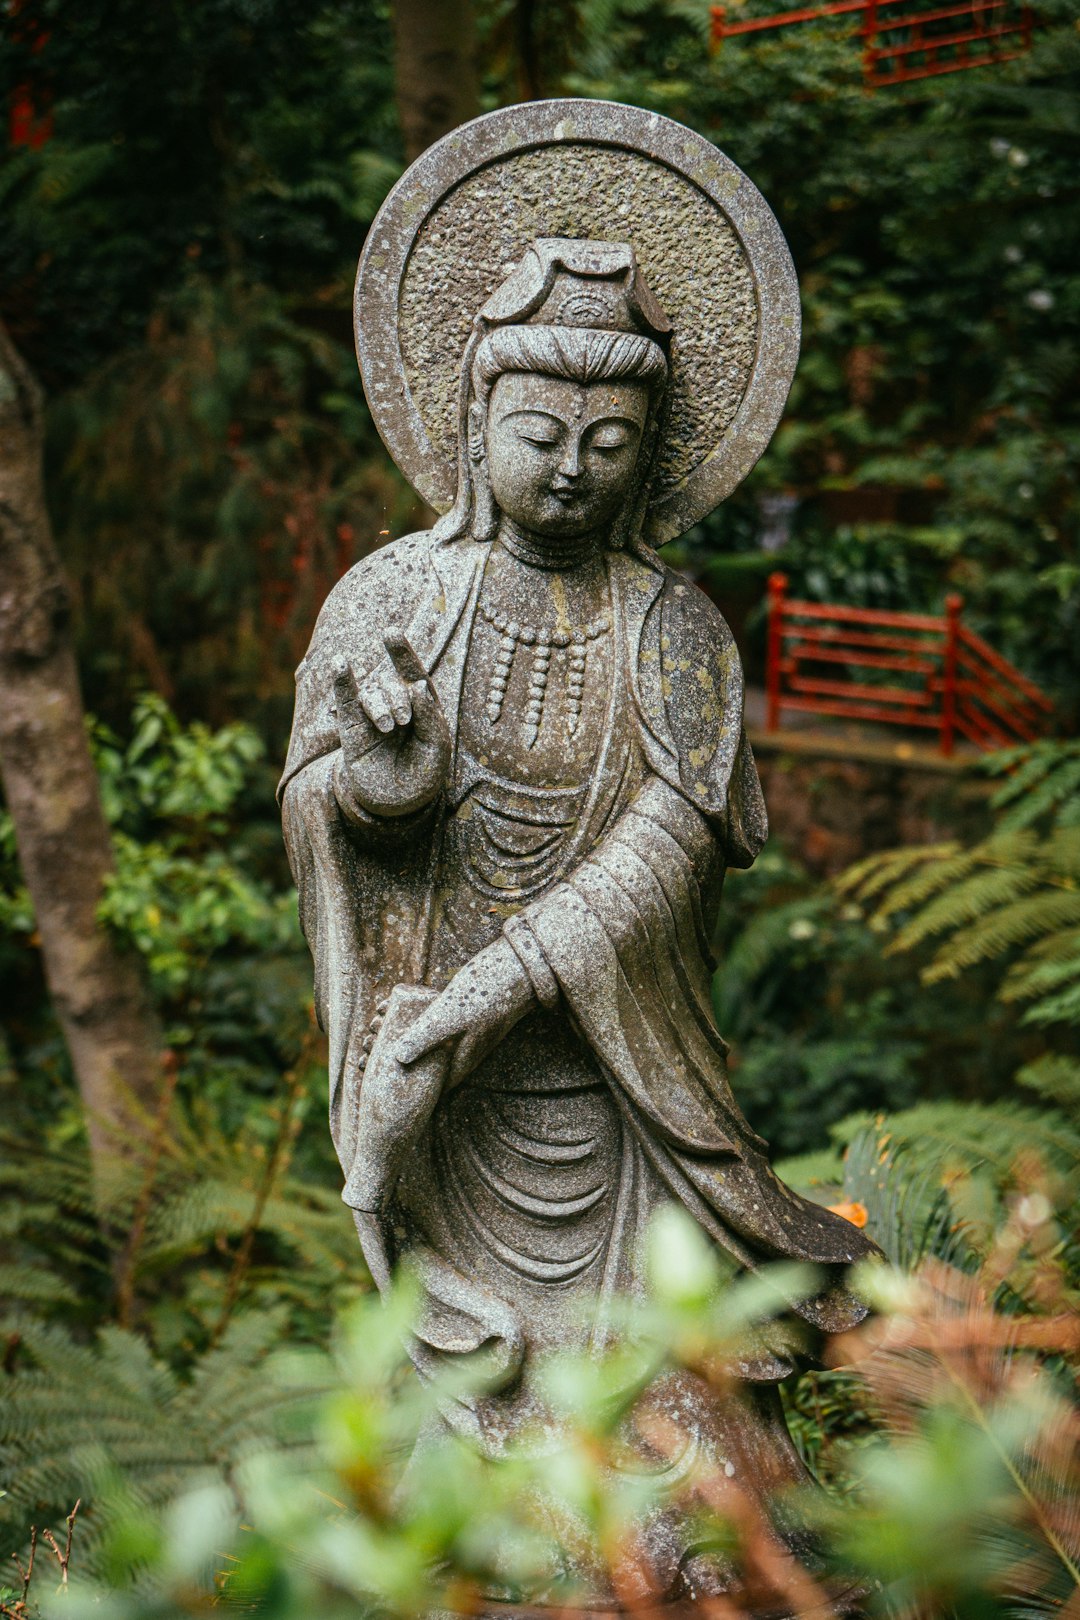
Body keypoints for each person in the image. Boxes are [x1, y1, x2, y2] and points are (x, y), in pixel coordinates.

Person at [281, 239, 876, 1598]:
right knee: (467, 1450)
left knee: (686, 1442)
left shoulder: (674, 626)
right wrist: (384, 777)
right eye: (541, 433)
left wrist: (491, 992)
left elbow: (668, 851)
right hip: (451, 1113)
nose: (571, 468)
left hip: (625, 1102)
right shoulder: (392, 598)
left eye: (612, 443)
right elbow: (327, 810)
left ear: (653, 452)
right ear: (471, 422)